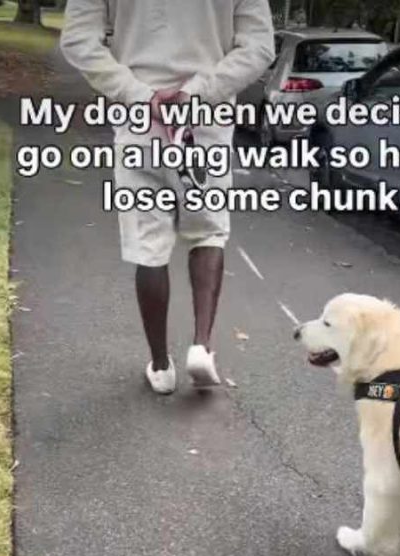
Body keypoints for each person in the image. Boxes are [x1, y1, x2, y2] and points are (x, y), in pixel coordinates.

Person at [60, 0, 275, 394]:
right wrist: (198, 92)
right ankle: (201, 346)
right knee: (208, 232)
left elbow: (77, 40)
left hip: (140, 121)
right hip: (205, 120)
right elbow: (259, 47)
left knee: (149, 245)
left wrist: (139, 95)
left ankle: (160, 365)